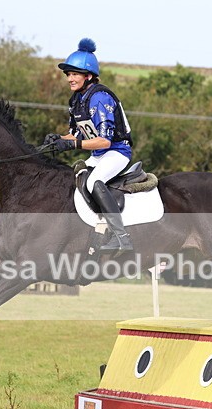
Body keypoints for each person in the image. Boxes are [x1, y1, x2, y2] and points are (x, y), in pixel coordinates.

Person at [44, 38, 134, 253]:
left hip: (117, 152)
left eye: (75, 74)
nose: (70, 79)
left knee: (94, 181)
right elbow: (76, 134)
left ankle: (122, 237)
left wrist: (73, 144)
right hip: (99, 154)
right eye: (68, 74)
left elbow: (105, 140)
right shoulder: (77, 100)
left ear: (89, 76)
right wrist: (59, 139)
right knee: (74, 180)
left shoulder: (100, 98)